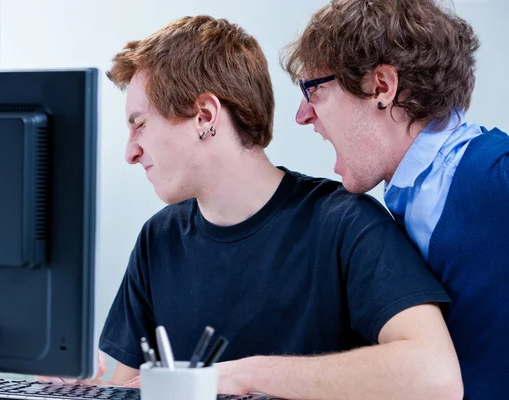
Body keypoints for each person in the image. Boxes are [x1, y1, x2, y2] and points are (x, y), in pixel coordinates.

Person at [44, 15, 462, 399]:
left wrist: (245, 375)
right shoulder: (160, 239)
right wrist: (78, 388)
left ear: (205, 115)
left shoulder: (347, 223)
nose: (130, 152)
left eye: (140, 123)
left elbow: (435, 376)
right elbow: (127, 388)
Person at [283, 0, 509, 398]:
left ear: (381, 88)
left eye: (313, 90)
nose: (303, 116)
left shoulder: (497, 177)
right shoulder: (402, 202)